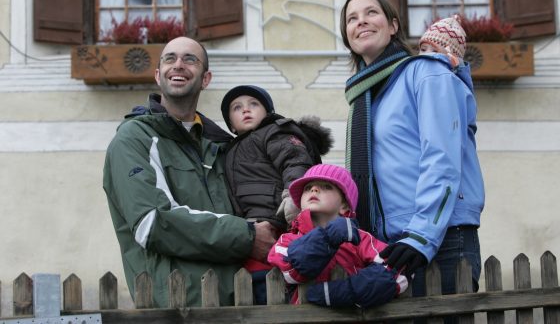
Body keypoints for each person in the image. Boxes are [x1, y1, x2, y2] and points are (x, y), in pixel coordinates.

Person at [103, 37, 277, 307]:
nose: (179, 65)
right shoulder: (134, 138)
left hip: (240, 306)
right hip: (176, 308)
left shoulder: (221, 146)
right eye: (170, 59)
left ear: (206, 78)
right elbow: (152, 223)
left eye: (190, 59)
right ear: (158, 76)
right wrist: (247, 236)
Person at [339, 0, 485, 300]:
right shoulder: (366, 100)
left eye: (371, 13)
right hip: (391, 246)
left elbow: (442, 159)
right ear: (347, 36)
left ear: (393, 26)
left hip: (439, 239)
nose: (361, 21)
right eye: (351, 18)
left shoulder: (426, 73)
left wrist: (422, 235)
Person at [220, 85, 332, 304]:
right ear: (230, 124)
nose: (246, 110)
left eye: (254, 104)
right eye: (237, 107)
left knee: (277, 275)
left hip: (279, 217)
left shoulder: (275, 132)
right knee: (254, 282)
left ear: (268, 112)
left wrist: (292, 196)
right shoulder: (231, 150)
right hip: (251, 225)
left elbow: (294, 161)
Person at [267, 164, 408, 307]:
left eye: (327, 186)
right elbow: (290, 271)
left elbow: (397, 269)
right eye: (308, 187)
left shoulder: (360, 238)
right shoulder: (287, 239)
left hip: (353, 317)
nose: (314, 189)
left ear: (344, 206)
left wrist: (351, 291)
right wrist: (328, 237)